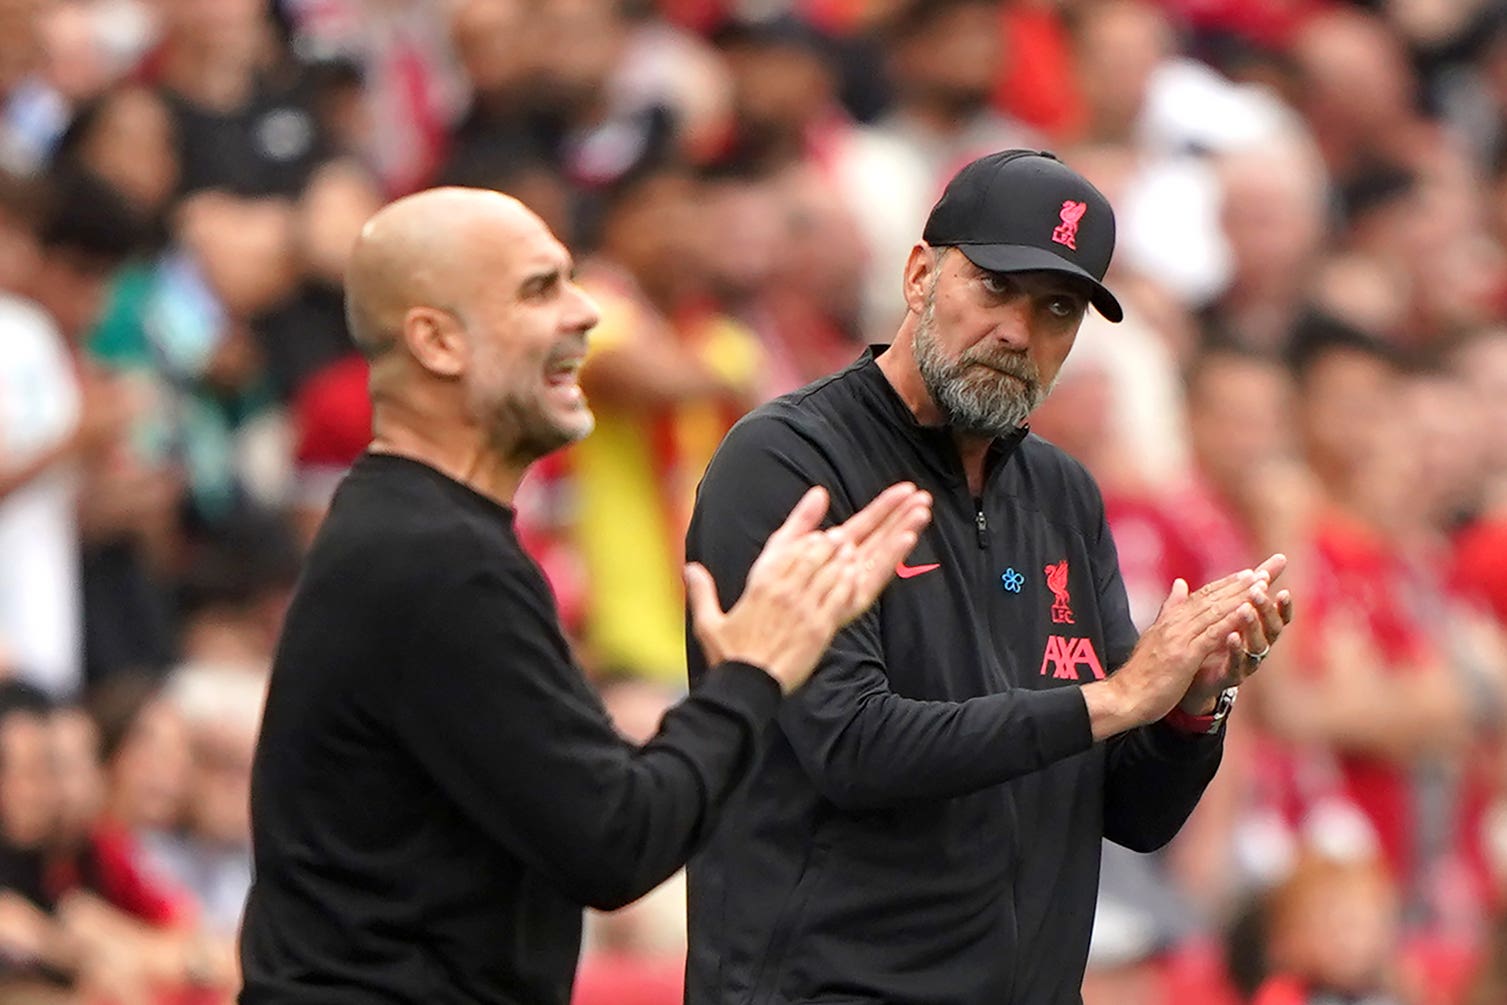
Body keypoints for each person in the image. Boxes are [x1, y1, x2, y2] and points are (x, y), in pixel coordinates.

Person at [236, 186, 933, 1004]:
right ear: (435, 340)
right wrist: (751, 667)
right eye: (540, 290)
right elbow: (619, 840)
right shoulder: (438, 559)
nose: (586, 316)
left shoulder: (412, 527)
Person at [683, 149, 1295, 1004]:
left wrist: (1189, 704)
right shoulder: (790, 461)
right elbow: (850, 746)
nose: (1018, 331)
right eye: (995, 286)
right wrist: (1118, 698)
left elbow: (1131, 813)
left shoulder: (1060, 492)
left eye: (1057, 307)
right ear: (918, 274)